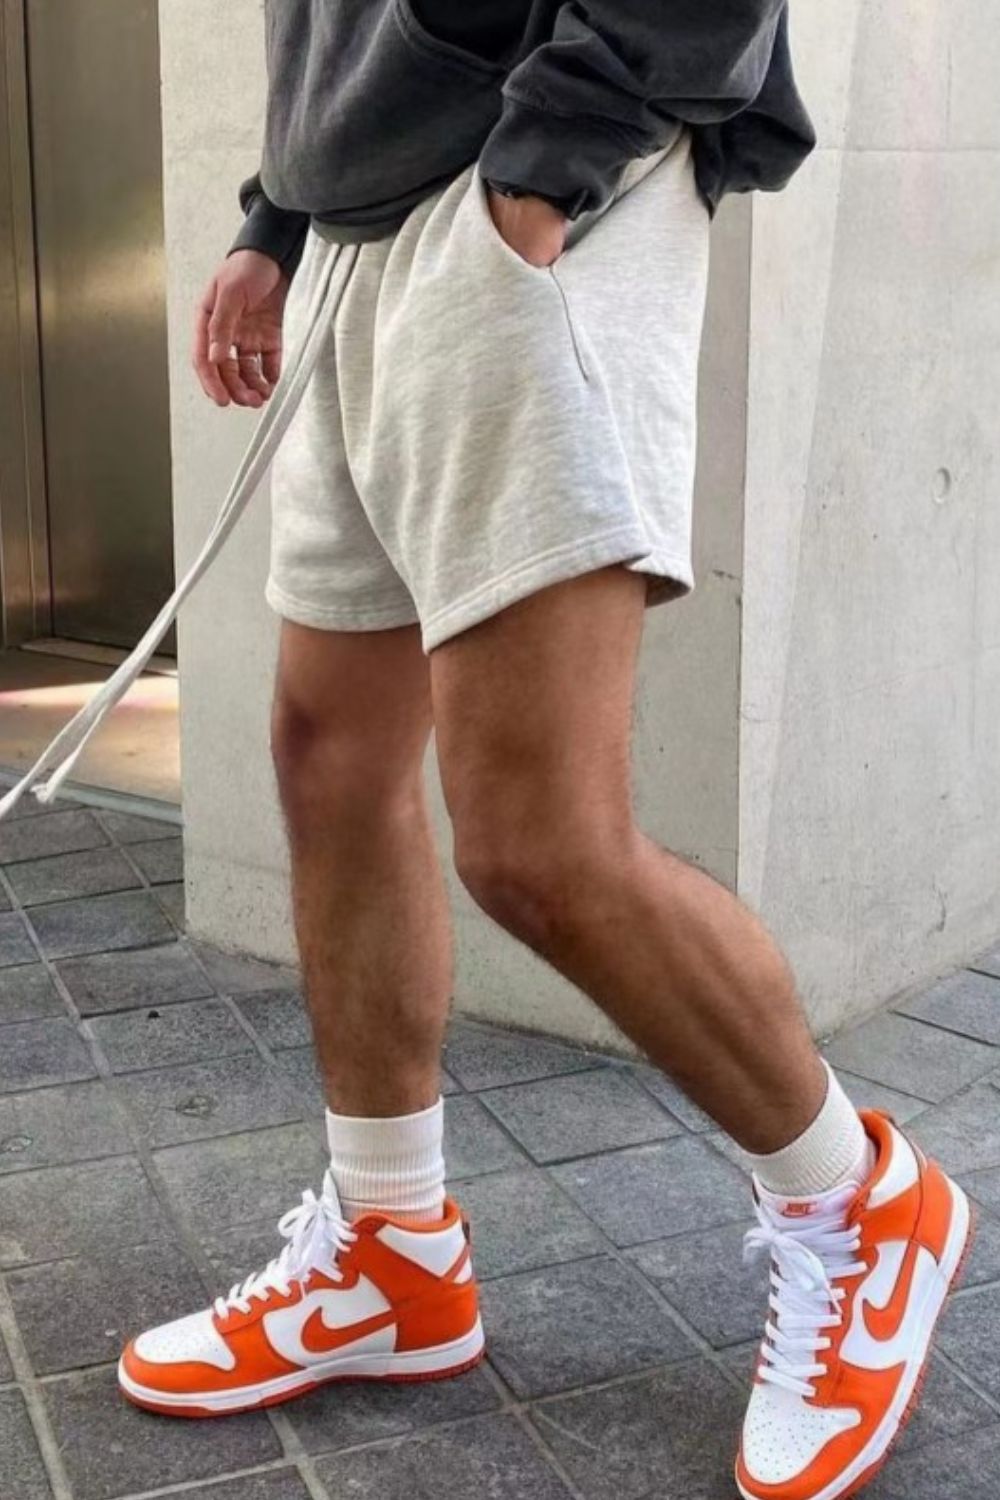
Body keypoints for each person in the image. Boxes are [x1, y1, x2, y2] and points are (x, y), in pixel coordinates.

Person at [116, 5, 972, 1497]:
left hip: (534, 195)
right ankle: (393, 1250)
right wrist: (277, 214)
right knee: (330, 760)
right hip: (359, 226)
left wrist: (544, 174)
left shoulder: (543, 184)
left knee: (539, 840)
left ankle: (860, 1202)